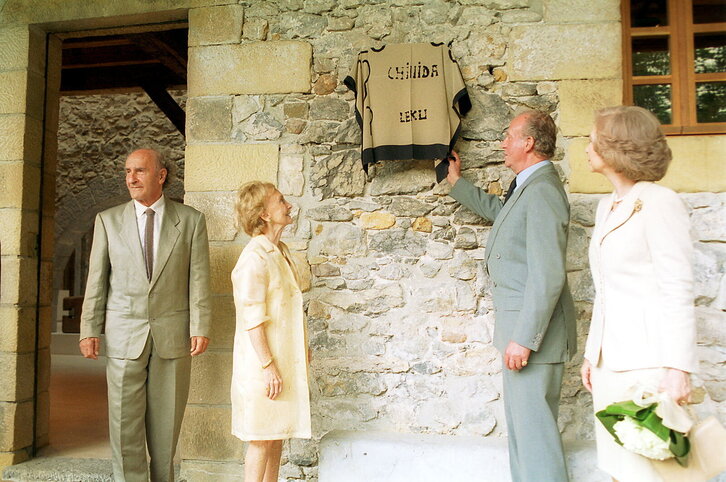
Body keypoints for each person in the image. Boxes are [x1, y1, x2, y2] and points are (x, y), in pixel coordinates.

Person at [447, 110, 576, 482]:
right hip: (523, 335)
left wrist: (524, 338)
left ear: (529, 143)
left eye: (509, 136)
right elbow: (503, 214)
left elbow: (548, 274)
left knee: (536, 442)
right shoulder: (529, 187)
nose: (503, 143)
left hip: (532, 338)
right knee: (525, 438)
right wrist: (457, 183)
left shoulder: (543, 190)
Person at [79, 148, 211, 482]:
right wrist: (89, 328)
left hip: (173, 333)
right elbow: (96, 280)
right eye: (127, 171)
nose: (131, 178)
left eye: (139, 171)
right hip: (124, 334)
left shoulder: (191, 220)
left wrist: (200, 325)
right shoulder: (108, 221)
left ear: (161, 175)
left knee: (167, 424)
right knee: (124, 423)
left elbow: (199, 279)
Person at [580, 106, 697, 481]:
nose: (586, 147)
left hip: (649, 365)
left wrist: (678, 369)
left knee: (652, 473)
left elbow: (677, 288)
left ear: (616, 147)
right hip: (608, 366)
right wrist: (592, 353)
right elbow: (605, 289)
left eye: (592, 139)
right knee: (619, 469)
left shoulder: (661, 202)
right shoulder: (606, 207)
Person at [231, 181, 311, 482]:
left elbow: (286, 309)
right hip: (262, 367)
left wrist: (301, 349)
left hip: (280, 362)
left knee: (276, 436)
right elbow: (252, 318)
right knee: (261, 438)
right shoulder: (254, 258)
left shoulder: (280, 251)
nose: (288, 206)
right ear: (264, 214)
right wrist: (268, 366)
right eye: (281, 201)